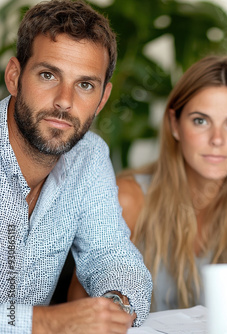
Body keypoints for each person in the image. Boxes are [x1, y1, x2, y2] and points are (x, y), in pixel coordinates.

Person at [69, 55, 227, 310]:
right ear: (175, 125)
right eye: (201, 121)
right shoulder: (129, 198)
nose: (217, 139)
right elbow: (82, 311)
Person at [0, 1, 152, 333]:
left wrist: (115, 306)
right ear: (14, 77)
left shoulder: (90, 155)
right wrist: (48, 322)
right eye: (47, 75)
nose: (65, 101)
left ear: (102, 98)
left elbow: (111, 255)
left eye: (85, 85)